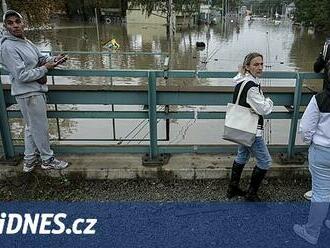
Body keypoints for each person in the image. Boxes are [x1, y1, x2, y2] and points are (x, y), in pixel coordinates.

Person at [0, 10, 68, 172]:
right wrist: (45, 68)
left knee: (32, 127)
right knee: (40, 127)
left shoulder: (25, 42)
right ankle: (47, 160)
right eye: (10, 23)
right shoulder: (8, 47)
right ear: (5, 26)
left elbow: (39, 59)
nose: (15, 25)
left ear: (23, 23)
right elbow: (21, 75)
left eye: (18, 21)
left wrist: (53, 60)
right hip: (28, 93)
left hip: (33, 90)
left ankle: (29, 161)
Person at [293, 53, 330, 246]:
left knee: (321, 193)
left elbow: (305, 129)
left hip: (323, 151)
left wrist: (311, 142)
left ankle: (311, 232)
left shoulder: (321, 98)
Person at [226, 52, 273, 202]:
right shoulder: (251, 87)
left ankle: (232, 189)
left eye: (261, 64)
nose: (260, 67)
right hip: (252, 131)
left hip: (241, 128)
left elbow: (237, 78)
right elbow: (265, 109)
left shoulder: (242, 80)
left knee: (242, 155)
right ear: (248, 67)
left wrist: (243, 71)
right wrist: (269, 101)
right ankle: (251, 193)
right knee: (265, 161)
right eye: (255, 64)